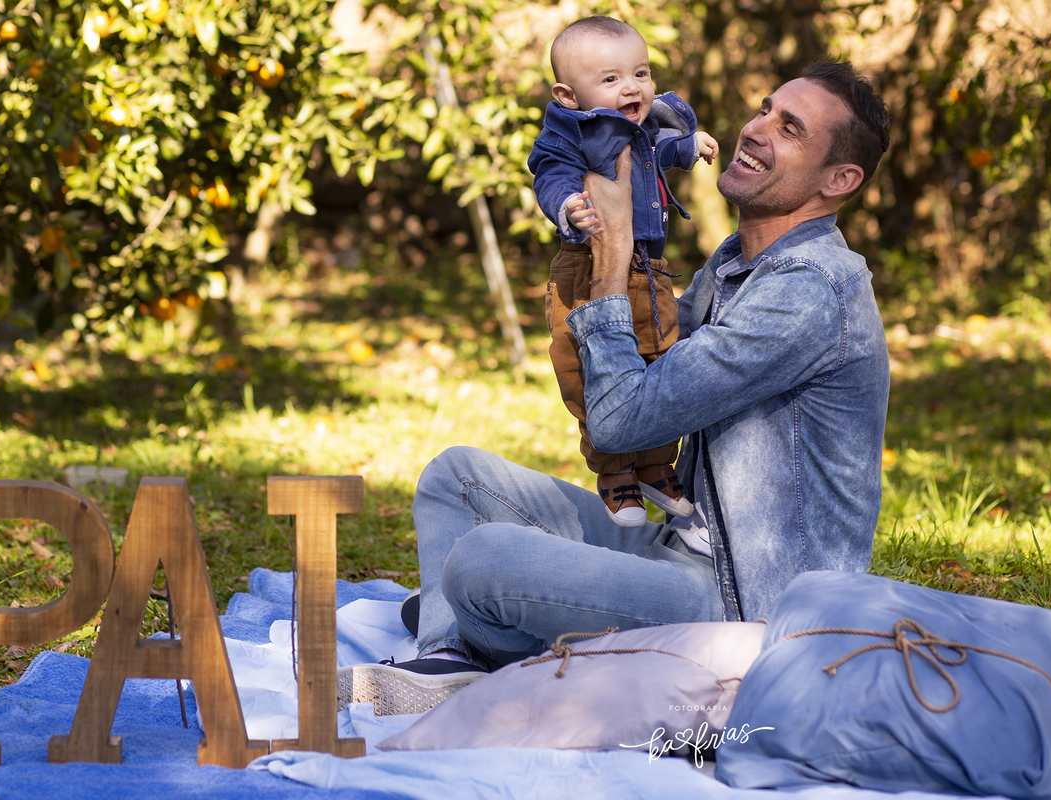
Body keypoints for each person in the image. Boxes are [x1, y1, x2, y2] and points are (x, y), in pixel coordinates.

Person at [338, 59, 892, 716]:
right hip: (678, 551)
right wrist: (597, 230)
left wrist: (610, 269)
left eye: (790, 128)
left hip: (746, 611)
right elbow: (650, 367)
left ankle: (482, 624)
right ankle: (453, 653)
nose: (755, 128)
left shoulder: (807, 292)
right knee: (455, 478)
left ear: (840, 180)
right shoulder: (740, 263)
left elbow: (625, 422)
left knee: (480, 559)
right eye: (766, 108)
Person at [528, 16, 720, 527]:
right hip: (583, 268)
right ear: (568, 95)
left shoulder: (647, 124)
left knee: (660, 359)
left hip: (650, 269)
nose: (632, 87)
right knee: (585, 367)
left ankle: (657, 465)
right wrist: (569, 206)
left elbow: (661, 150)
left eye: (641, 72)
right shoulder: (567, 132)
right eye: (610, 79)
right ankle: (615, 473)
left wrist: (691, 145)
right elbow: (550, 175)